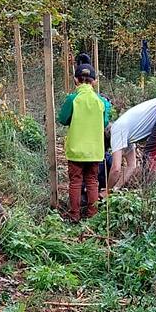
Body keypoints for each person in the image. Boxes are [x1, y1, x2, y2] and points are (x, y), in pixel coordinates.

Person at [57, 60, 111, 222]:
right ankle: (92, 215)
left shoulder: (72, 99)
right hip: (95, 150)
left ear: (76, 80)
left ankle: (74, 215)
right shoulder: (102, 102)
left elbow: (63, 119)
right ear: (94, 82)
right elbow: (105, 122)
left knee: (75, 182)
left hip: (76, 150)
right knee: (92, 181)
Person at [105, 96, 156, 192]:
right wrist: (114, 189)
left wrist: (107, 191)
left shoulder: (116, 130)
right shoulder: (126, 134)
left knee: (150, 156)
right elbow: (131, 166)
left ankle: (149, 192)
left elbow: (116, 169)